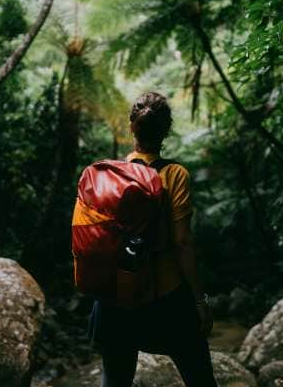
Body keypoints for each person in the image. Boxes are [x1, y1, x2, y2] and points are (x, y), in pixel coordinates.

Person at [87, 91, 217, 387]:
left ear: (131, 127)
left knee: (115, 381)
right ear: (166, 131)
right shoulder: (174, 174)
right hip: (165, 296)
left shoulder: (107, 175)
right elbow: (183, 243)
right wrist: (200, 300)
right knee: (200, 378)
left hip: (114, 297)